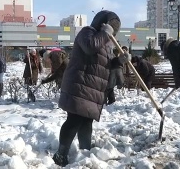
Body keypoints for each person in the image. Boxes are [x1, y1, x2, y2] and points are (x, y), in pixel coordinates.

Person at [53, 10, 131, 167]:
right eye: (111, 28)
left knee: (87, 121)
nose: (112, 33)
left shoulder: (106, 42)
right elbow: (90, 47)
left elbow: (104, 65)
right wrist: (104, 33)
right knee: (74, 120)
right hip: (79, 84)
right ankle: (60, 154)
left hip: (91, 88)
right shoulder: (87, 32)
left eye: (114, 30)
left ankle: (85, 151)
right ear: (102, 24)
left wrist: (119, 61)